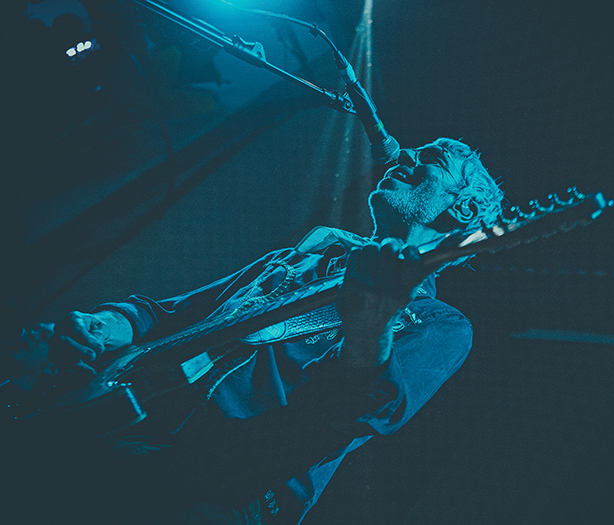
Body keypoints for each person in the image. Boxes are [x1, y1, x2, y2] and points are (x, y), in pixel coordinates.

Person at [38, 138, 505, 524]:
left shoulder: (439, 323)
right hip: (114, 420)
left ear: (464, 209)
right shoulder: (298, 258)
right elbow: (166, 315)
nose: (403, 156)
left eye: (431, 160)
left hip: (221, 490)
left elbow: (368, 408)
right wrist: (105, 326)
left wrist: (369, 331)